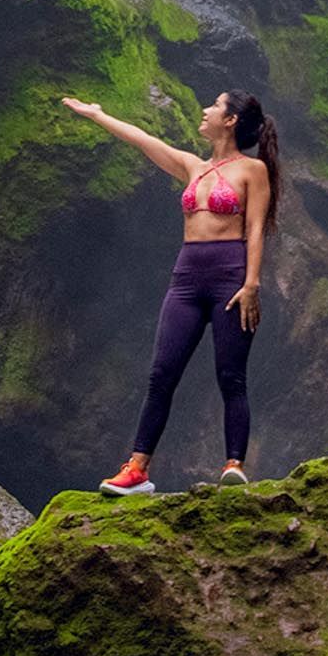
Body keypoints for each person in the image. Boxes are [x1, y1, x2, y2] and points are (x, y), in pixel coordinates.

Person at [61, 89, 280, 494]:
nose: (206, 110)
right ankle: (137, 469)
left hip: (230, 276)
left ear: (230, 120)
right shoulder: (192, 166)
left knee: (231, 375)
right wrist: (96, 114)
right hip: (187, 277)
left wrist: (252, 284)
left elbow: (254, 229)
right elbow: (144, 140)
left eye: (214, 105)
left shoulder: (253, 170)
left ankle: (234, 465)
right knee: (162, 374)